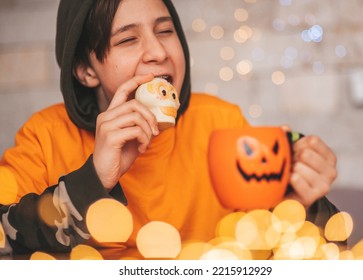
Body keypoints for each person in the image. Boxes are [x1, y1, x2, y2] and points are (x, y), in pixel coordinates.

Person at [0, 0, 338, 256]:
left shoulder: (220, 121)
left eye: (165, 31)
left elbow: (297, 247)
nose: (158, 52)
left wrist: (302, 204)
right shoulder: (44, 135)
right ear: (86, 70)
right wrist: (95, 178)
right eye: (128, 40)